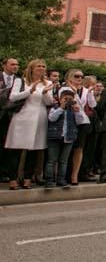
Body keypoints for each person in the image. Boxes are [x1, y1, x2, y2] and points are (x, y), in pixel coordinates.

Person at [5, 59, 55, 189]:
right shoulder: (20, 81)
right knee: (16, 148)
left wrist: (44, 93)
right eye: (39, 66)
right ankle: (13, 178)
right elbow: (12, 97)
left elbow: (49, 102)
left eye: (44, 66)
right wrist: (30, 90)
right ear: (31, 68)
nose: (41, 68)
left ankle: (28, 178)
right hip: (22, 117)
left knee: (34, 149)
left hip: (39, 118)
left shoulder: (48, 83)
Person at [45, 88, 80, 188]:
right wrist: (61, 108)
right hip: (55, 137)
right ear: (60, 99)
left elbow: (80, 121)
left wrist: (77, 111)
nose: (67, 101)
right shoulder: (55, 107)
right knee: (52, 160)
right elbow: (52, 118)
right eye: (65, 99)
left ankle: (61, 179)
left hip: (68, 137)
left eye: (70, 99)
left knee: (64, 161)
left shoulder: (73, 109)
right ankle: (49, 180)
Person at [1, 57, 21, 184]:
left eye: (17, 65)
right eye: (12, 64)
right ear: (4, 65)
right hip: (1, 115)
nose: (15, 66)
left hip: (12, 116)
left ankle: (6, 172)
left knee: (9, 146)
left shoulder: (19, 81)